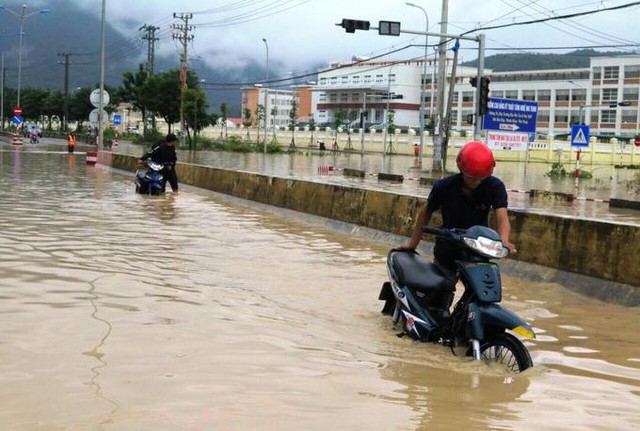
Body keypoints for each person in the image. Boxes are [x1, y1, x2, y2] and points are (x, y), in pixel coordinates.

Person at [398, 140, 516, 276]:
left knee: (482, 289)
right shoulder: (444, 187)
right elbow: (426, 212)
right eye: (471, 178)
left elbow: (502, 217)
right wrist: (413, 243)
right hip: (448, 244)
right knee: (442, 287)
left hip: (478, 247)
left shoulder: (495, 187)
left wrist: (504, 240)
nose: (476, 182)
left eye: (480, 179)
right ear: (461, 169)